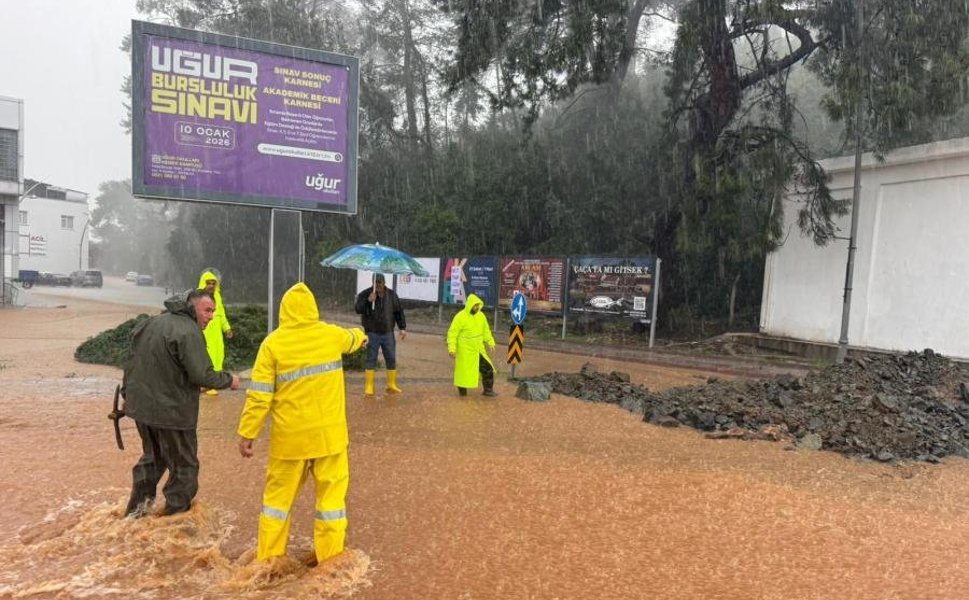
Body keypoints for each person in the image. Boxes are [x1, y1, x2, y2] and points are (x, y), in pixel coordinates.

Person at [237, 282, 368, 564]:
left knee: (276, 505)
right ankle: (331, 564)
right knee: (331, 505)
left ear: (284, 311)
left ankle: (269, 563)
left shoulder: (272, 344)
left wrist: (248, 432)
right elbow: (353, 338)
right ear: (313, 309)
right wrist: (362, 335)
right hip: (329, 439)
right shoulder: (330, 335)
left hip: (290, 441)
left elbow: (259, 396)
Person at [122, 289, 240, 517]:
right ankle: (176, 523)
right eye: (207, 310)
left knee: (152, 460)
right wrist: (229, 380)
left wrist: (128, 396)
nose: (211, 316)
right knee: (185, 467)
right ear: (192, 306)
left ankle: (135, 516)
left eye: (214, 311)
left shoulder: (150, 323)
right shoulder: (188, 330)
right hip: (173, 414)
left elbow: (131, 363)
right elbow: (202, 375)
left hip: (142, 411)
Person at [353, 273, 407, 395]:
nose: (377, 285)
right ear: (372, 282)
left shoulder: (392, 295)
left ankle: (391, 384)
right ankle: (369, 387)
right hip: (372, 332)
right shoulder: (365, 293)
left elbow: (398, 312)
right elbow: (357, 309)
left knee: (391, 358)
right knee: (371, 359)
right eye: (375, 282)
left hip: (388, 332)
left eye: (380, 282)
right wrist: (368, 300)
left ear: (384, 282)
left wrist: (402, 327)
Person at [446, 293, 497, 397]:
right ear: (469, 305)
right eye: (475, 305)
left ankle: (488, 390)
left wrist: (490, 341)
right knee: (463, 372)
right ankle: (462, 393)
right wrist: (452, 349)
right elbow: (452, 333)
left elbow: (486, 330)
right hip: (465, 350)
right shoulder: (460, 317)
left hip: (478, 349)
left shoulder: (481, 316)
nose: (476, 307)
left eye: (478, 305)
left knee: (487, 368)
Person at [197, 269, 233, 396]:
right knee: (205, 357)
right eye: (208, 283)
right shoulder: (197, 298)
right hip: (204, 334)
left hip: (217, 335)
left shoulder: (218, 297)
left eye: (213, 283)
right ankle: (204, 383)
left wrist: (227, 328)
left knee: (218, 356)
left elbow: (221, 315)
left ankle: (214, 383)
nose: (211, 285)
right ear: (203, 283)